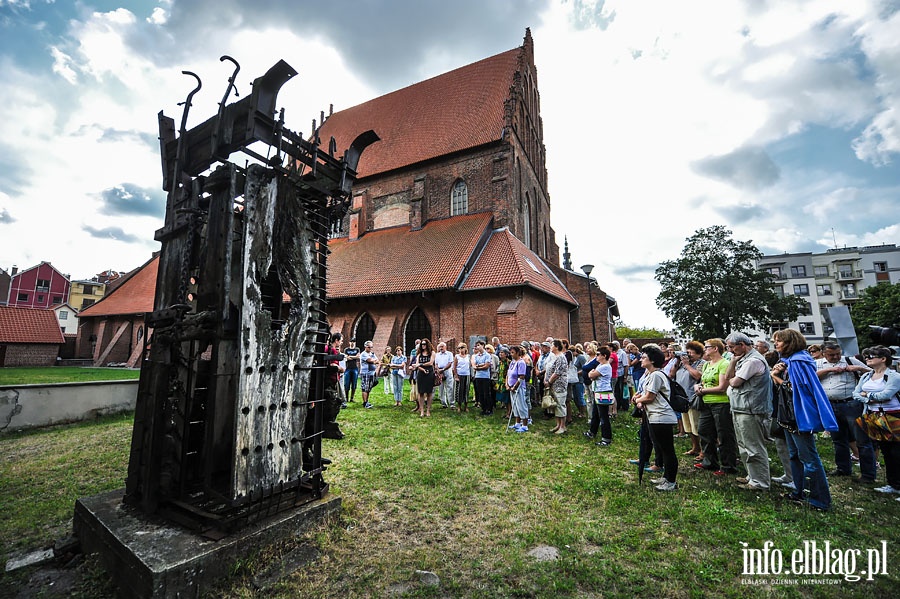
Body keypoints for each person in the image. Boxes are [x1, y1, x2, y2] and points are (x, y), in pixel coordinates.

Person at [771, 328, 838, 511]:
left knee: (809, 458)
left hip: (800, 414)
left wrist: (775, 377)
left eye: (779, 341)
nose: (775, 344)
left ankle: (819, 500)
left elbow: (796, 389)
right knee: (795, 455)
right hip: (789, 415)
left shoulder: (799, 361)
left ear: (790, 342)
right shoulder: (788, 361)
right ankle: (800, 491)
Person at [816, 341, 875, 483]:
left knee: (861, 439)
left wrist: (857, 368)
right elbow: (812, 377)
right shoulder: (817, 363)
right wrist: (829, 370)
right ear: (824, 354)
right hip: (830, 405)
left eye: (837, 354)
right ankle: (843, 468)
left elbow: (873, 373)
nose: (835, 357)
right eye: (831, 355)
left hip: (851, 403)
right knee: (838, 439)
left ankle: (868, 474)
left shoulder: (849, 360)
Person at [724, 332, 772, 490]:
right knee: (743, 445)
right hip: (741, 407)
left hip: (751, 409)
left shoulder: (753, 361)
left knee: (754, 447)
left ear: (742, 345)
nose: (730, 350)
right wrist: (732, 362)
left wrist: (731, 379)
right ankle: (752, 476)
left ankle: (760, 482)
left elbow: (735, 382)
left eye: (732, 347)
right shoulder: (741, 358)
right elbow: (727, 377)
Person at [853, 345, 900, 495]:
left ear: (883, 359)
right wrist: (867, 398)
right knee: (886, 451)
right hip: (873, 415)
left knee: (897, 452)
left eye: (870, 357)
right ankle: (893, 484)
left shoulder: (894, 376)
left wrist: (867, 396)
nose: (867, 359)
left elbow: (886, 395)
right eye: (866, 357)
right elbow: (856, 393)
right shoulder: (866, 376)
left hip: (893, 415)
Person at [632, 345, 679, 491]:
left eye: (644, 357)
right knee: (661, 448)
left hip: (661, 417)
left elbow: (650, 397)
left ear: (652, 360)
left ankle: (671, 481)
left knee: (667, 449)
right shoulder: (651, 375)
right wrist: (639, 397)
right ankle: (666, 477)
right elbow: (645, 394)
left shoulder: (656, 375)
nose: (641, 359)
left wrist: (638, 401)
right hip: (654, 416)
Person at [694, 338, 739, 476]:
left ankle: (728, 465)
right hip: (706, 403)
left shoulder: (724, 364)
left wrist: (703, 391)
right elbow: (702, 381)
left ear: (715, 348)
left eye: (707, 347)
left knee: (724, 434)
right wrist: (698, 386)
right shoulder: (707, 365)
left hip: (721, 403)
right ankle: (710, 461)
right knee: (704, 431)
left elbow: (722, 387)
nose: (705, 349)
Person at [676, 341, 705, 459]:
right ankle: (695, 447)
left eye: (690, 353)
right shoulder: (682, 364)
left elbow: (698, 376)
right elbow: (672, 374)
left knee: (697, 425)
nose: (688, 355)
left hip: (693, 397)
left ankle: (703, 450)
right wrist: (678, 362)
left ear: (698, 354)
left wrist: (687, 365)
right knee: (688, 425)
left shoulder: (701, 363)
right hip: (682, 398)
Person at [586, 345, 613, 446]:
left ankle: (606, 438)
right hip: (597, 392)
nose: (596, 356)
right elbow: (592, 375)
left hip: (603, 392)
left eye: (598, 354)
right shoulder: (600, 365)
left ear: (604, 356)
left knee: (603, 416)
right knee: (596, 414)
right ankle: (592, 431)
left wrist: (592, 373)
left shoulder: (605, 366)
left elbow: (592, 375)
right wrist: (592, 374)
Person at [546, 339, 569, 434]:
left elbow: (557, 372)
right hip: (554, 385)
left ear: (556, 347)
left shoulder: (561, 357)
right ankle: (558, 424)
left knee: (560, 404)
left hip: (559, 384)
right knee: (556, 405)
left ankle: (563, 426)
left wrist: (549, 381)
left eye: (552, 345)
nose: (551, 347)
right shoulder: (555, 357)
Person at [507, 345, 530, 432]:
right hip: (511, 387)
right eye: (510, 352)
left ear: (517, 353)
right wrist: (508, 385)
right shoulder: (512, 362)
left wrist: (515, 386)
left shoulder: (521, 362)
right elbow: (508, 374)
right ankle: (517, 423)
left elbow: (521, 376)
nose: (511, 354)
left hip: (518, 387)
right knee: (515, 405)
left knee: (521, 405)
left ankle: (524, 425)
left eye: (513, 353)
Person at [413, 339, 436, 417]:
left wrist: (420, 364)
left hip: (430, 373)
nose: (423, 345)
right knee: (421, 392)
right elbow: (416, 365)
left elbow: (430, 363)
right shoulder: (419, 354)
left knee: (429, 392)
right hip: (421, 374)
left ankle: (428, 410)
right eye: (422, 344)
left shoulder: (432, 353)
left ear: (428, 345)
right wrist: (422, 369)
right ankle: (422, 410)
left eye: (424, 344)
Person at [471, 340, 493, 415]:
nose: (477, 347)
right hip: (478, 376)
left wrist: (479, 366)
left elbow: (486, 366)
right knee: (480, 393)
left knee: (486, 393)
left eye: (479, 345)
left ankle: (489, 409)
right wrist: (480, 365)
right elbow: (474, 365)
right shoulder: (476, 356)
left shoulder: (487, 355)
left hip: (485, 377)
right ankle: (483, 408)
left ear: (483, 345)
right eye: (476, 345)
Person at [434, 341, 456, 409]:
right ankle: (444, 403)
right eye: (440, 347)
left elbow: (450, 363)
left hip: (447, 371)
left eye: (442, 346)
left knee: (450, 387)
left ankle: (452, 403)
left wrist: (443, 369)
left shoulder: (449, 354)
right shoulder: (437, 355)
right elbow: (436, 364)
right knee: (441, 388)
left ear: (445, 347)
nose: (441, 348)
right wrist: (438, 370)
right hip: (439, 372)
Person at [358, 341, 379, 409]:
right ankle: (364, 403)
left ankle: (367, 401)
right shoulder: (363, 354)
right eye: (369, 347)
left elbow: (377, 360)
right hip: (365, 373)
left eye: (371, 347)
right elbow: (370, 360)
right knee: (365, 388)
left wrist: (374, 361)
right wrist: (374, 361)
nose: (370, 348)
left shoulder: (372, 353)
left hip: (371, 373)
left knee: (369, 388)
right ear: (365, 347)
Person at [453, 342, 471, 412]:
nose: (460, 349)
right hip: (459, 375)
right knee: (459, 390)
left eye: (462, 348)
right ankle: (459, 406)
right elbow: (454, 367)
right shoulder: (457, 356)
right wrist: (456, 376)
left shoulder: (468, 356)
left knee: (466, 390)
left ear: (465, 348)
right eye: (459, 348)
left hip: (467, 374)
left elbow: (470, 365)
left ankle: (466, 405)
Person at [343, 338, 360, 402]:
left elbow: (358, 357)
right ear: (349, 342)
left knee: (354, 384)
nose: (352, 343)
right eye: (351, 342)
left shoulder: (357, 349)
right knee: (346, 384)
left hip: (355, 368)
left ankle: (352, 398)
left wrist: (350, 356)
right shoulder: (346, 349)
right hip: (347, 368)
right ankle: (346, 398)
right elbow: (346, 358)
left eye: (354, 342)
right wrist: (354, 357)